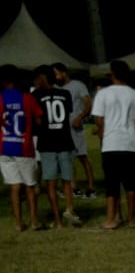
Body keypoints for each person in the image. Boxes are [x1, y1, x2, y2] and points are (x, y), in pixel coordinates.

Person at [90, 60, 135, 230]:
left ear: (112, 74)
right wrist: (132, 134)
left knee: (112, 184)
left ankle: (111, 219)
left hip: (110, 143)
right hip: (130, 142)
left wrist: (102, 130)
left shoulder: (104, 94)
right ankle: (131, 219)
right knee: (131, 184)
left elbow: (99, 118)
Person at [31, 65, 82, 227]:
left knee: (51, 182)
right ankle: (69, 209)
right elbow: (65, 114)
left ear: (41, 78)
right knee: (67, 180)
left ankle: (57, 220)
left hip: (47, 143)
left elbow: (37, 119)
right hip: (64, 140)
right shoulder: (64, 93)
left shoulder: (36, 94)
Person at [1, 64, 45, 231]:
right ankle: (34, 221)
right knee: (30, 185)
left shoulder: (0, 98)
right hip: (23, 146)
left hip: (4, 146)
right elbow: (39, 119)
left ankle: (19, 223)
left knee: (14, 186)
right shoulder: (27, 97)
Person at [52, 63, 96, 199]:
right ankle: (73, 188)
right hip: (61, 128)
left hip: (75, 127)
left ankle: (91, 188)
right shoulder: (54, 87)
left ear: (64, 73)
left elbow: (89, 104)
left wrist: (80, 118)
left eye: (56, 74)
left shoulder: (78, 85)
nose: (55, 77)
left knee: (82, 157)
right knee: (66, 159)